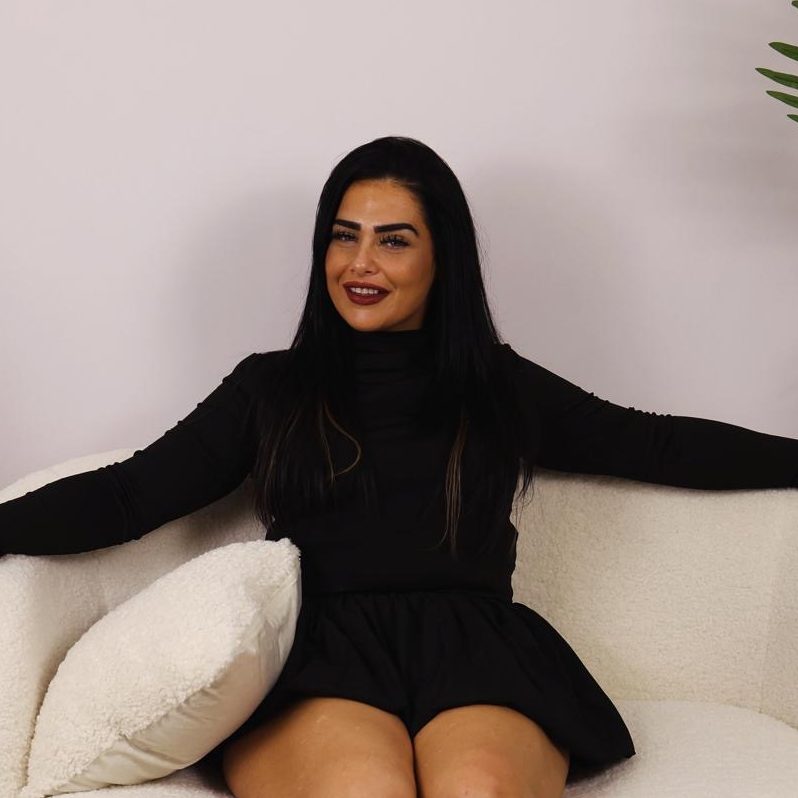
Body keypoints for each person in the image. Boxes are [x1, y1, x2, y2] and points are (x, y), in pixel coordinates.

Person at [2, 136, 797, 798]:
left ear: (442, 257)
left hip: (479, 653)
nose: (361, 262)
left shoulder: (496, 383)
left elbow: (655, 444)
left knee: (477, 791)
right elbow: (129, 493)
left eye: (394, 239)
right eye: (343, 236)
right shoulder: (271, 388)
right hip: (321, 655)